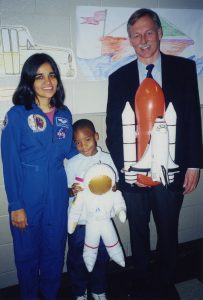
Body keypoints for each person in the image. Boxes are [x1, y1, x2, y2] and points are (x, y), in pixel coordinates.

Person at [106, 8, 202, 300]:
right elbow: (113, 129)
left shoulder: (184, 70)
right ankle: (142, 283)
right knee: (138, 232)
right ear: (130, 40)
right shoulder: (118, 77)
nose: (143, 40)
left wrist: (194, 165)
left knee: (168, 230)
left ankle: (165, 282)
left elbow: (192, 120)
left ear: (160, 33)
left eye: (148, 32)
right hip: (134, 175)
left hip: (170, 171)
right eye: (136, 35)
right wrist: (128, 170)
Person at [1, 53, 76, 300]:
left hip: (57, 195)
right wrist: (16, 205)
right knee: (27, 257)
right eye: (40, 76)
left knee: (55, 253)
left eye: (52, 75)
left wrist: (97, 159)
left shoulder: (64, 114)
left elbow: (71, 151)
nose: (48, 81)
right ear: (29, 81)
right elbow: (10, 162)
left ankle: (51, 295)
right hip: (27, 197)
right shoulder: (17, 115)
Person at [65, 119, 119, 300]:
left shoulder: (108, 159)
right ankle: (79, 292)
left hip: (102, 221)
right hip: (80, 223)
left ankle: (98, 289)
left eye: (87, 140)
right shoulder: (72, 163)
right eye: (78, 143)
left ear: (96, 137)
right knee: (77, 260)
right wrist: (72, 190)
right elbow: (66, 190)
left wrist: (114, 187)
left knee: (101, 257)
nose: (83, 145)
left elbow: (115, 183)